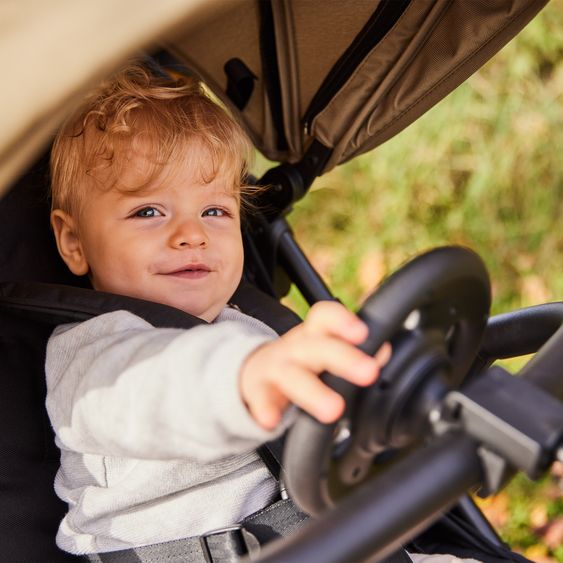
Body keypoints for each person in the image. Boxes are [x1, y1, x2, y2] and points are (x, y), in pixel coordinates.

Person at [46, 61, 391, 556]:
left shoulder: (243, 325)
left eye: (215, 211)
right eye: (148, 211)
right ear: (74, 240)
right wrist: (245, 380)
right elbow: (160, 389)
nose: (193, 233)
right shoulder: (90, 358)